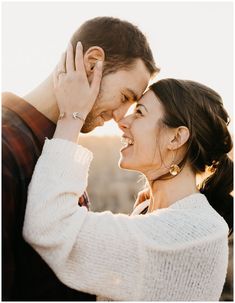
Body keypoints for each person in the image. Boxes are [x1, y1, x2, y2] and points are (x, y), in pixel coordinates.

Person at [23, 42, 233, 301]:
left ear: (176, 138)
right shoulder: (159, 216)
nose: (122, 122)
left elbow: (50, 227)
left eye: (140, 113)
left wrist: (72, 116)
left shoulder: (192, 232)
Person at [2, 17, 158, 300]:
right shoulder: (6, 148)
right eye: (124, 96)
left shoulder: (58, 145)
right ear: (92, 63)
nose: (120, 117)